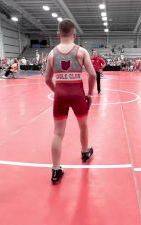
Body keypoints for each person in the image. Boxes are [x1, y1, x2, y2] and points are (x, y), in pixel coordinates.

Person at [45, 19, 96, 184]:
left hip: (60, 95)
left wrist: (57, 91)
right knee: (83, 125)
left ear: (58, 33)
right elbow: (93, 74)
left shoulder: (52, 53)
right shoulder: (81, 52)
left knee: (58, 133)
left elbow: (47, 79)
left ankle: (55, 169)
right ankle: (85, 151)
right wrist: (89, 94)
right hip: (77, 95)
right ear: (74, 34)